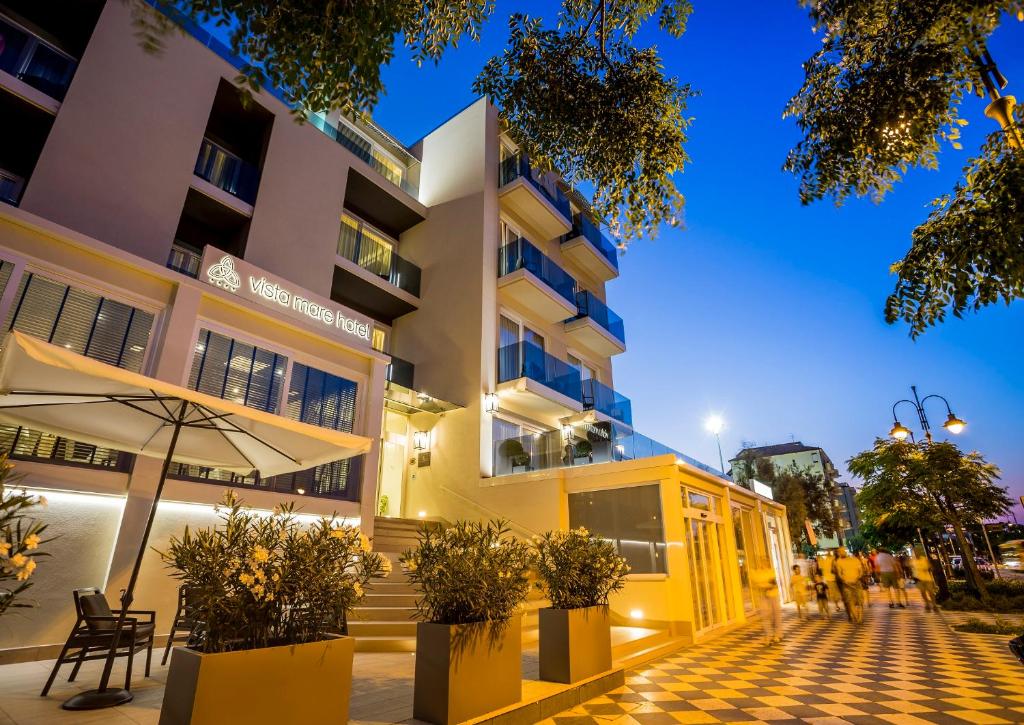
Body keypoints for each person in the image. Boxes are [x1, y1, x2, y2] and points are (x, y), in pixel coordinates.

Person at [751, 557, 782, 644]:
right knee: (765, 616)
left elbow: (772, 583)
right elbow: (755, 584)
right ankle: (768, 635)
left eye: (765, 561)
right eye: (762, 561)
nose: (763, 563)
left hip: (773, 595)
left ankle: (777, 634)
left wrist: (762, 585)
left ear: (768, 562)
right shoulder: (758, 573)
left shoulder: (771, 571)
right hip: (763, 597)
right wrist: (764, 585)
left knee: (776, 616)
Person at [835, 547, 865, 623]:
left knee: (860, 601)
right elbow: (839, 573)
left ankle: (860, 617)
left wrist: (858, 577)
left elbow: (861, 570)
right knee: (849, 601)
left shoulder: (855, 559)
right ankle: (856, 617)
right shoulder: (838, 561)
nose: (841, 553)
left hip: (857, 583)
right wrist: (844, 580)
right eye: (840, 552)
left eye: (842, 551)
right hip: (846, 584)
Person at [912, 545, 938, 612]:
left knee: (930, 592)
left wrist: (928, 568)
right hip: (919, 579)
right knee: (923, 593)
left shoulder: (924, 559)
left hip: (927, 578)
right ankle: (927, 604)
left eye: (916, 551)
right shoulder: (913, 561)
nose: (916, 553)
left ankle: (934, 605)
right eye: (914, 552)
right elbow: (912, 569)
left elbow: (930, 567)